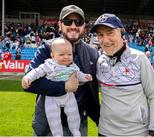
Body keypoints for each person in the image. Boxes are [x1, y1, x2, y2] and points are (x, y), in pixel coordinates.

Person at [22, 5, 100, 136]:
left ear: (84, 26)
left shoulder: (92, 52)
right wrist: (65, 87)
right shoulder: (47, 48)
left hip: (79, 125)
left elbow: (95, 87)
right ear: (60, 24)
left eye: (78, 22)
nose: (74, 26)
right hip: (49, 126)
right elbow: (29, 84)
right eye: (68, 22)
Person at [90, 13, 154, 136]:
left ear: (122, 33)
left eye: (110, 33)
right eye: (100, 35)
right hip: (105, 132)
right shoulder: (100, 62)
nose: (105, 40)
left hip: (137, 132)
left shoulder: (139, 58)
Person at [22, 38, 93, 136]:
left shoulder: (72, 66)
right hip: (52, 98)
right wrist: (28, 78)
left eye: (69, 54)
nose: (66, 57)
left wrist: (85, 77)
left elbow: (78, 74)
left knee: (73, 114)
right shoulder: (49, 65)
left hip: (68, 96)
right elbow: (36, 72)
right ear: (53, 56)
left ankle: (75, 131)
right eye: (62, 55)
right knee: (53, 117)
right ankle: (57, 134)